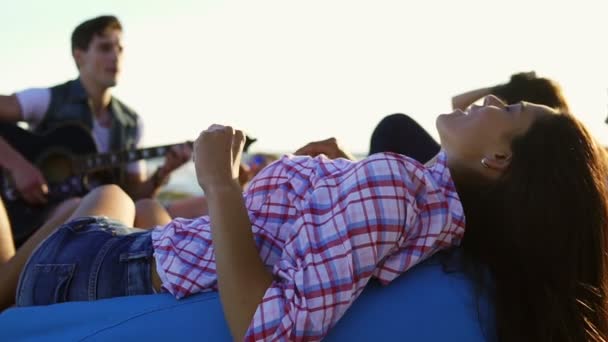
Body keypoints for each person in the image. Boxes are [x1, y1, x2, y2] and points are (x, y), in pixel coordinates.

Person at [3, 96, 607, 342]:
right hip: (150, 259)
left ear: (500, 159)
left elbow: (268, 328)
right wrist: (325, 176)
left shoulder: (397, 187)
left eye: (511, 109)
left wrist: (218, 177)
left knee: (101, 195)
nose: (487, 102)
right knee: (147, 206)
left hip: (102, 270)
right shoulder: (430, 206)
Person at [0, 15, 191, 246]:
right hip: (38, 217)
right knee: (79, 207)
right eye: (105, 48)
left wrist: (162, 173)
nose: (115, 56)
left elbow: (133, 195)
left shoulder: (130, 123)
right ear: (78, 55)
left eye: (120, 48)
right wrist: (17, 165)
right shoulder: (48, 99)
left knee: (148, 209)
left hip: (99, 221)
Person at [368, 71, 571, 163]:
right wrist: (503, 88)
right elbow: (456, 106)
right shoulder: (524, 124)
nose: (490, 100)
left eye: (508, 108)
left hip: (472, 177)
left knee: (395, 127)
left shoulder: (534, 131)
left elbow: (457, 104)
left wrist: (503, 88)